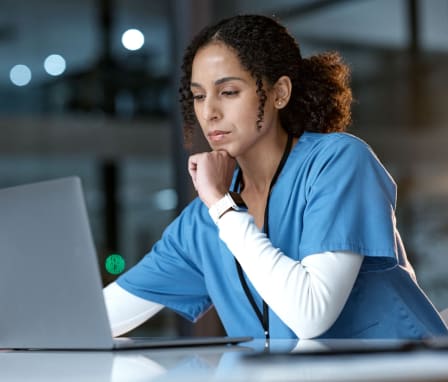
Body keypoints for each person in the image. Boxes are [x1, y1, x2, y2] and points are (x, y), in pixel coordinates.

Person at [103, 14, 448, 340]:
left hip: (404, 372)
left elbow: (311, 313)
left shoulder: (337, 162)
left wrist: (224, 207)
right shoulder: (201, 224)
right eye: (198, 96)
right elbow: (101, 318)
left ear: (280, 93)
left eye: (229, 92)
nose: (209, 112)